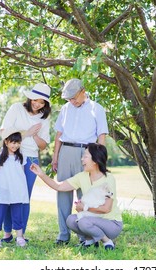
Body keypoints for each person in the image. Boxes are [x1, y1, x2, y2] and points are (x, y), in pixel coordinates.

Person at [31, 143, 122, 250]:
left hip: (111, 224)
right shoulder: (82, 176)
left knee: (83, 221)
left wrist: (85, 208)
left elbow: (106, 209)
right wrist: (41, 174)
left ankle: (107, 241)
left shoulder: (108, 178)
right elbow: (59, 186)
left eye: (85, 156)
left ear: (95, 161)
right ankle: (90, 241)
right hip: (92, 220)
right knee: (71, 220)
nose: (82, 159)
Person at [52, 78, 109, 245]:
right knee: (63, 192)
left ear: (83, 91)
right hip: (65, 152)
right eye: (69, 98)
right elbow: (58, 134)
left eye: (74, 97)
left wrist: (99, 159)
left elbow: (102, 136)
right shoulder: (65, 108)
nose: (72, 101)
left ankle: (85, 236)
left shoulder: (97, 109)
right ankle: (63, 235)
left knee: (85, 194)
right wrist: (55, 156)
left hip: (87, 153)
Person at [0, 83, 51, 242]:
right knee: (9, 196)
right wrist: (27, 133)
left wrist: (35, 136)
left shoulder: (44, 117)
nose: (38, 104)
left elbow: (43, 145)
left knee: (24, 198)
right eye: (36, 100)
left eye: (42, 102)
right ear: (30, 98)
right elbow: (3, 133)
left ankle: (21, 235)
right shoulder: (16, 108)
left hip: (31, 159)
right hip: (13, 157)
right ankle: (7, 234)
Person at [0, 127, 29, 248]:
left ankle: (19, 237)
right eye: (13, 142)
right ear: (6, 142)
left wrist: (23, 192)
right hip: (3, 191)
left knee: (17, 215)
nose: (15, 145)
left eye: (18, 142)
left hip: (17, 192)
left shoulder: (21, 156)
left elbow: (22, 176)